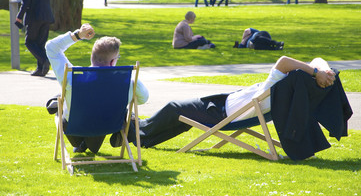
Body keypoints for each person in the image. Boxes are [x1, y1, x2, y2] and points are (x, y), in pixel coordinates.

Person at [115, 56, 337, 149]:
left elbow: (283, 61)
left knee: (174, 108)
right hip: (226, 105)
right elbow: (312, 63)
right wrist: (323, 71)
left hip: (222, 114)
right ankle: (139, 135)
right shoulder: (296, 87)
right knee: (182, 119)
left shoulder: (279, 82)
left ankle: (133, 129)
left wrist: (317, 71)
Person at [45, 24, 149, 153]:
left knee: (61, 103)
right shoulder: (128, 81)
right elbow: (143, 99)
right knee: (112, 110)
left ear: (92, 56)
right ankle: (124, 121)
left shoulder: (73, 77)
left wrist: (78, 35)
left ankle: (58, 102)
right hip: (109, 125)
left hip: (74, 127)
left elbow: (51, 48)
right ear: (112, 62)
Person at [16, 0, 54, 77]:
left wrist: (19, 16)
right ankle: (40, 69)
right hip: (47, 15)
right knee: (40, 43)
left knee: (29, 42)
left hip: (34, 16)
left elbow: (25, 0)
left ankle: (44, 60)